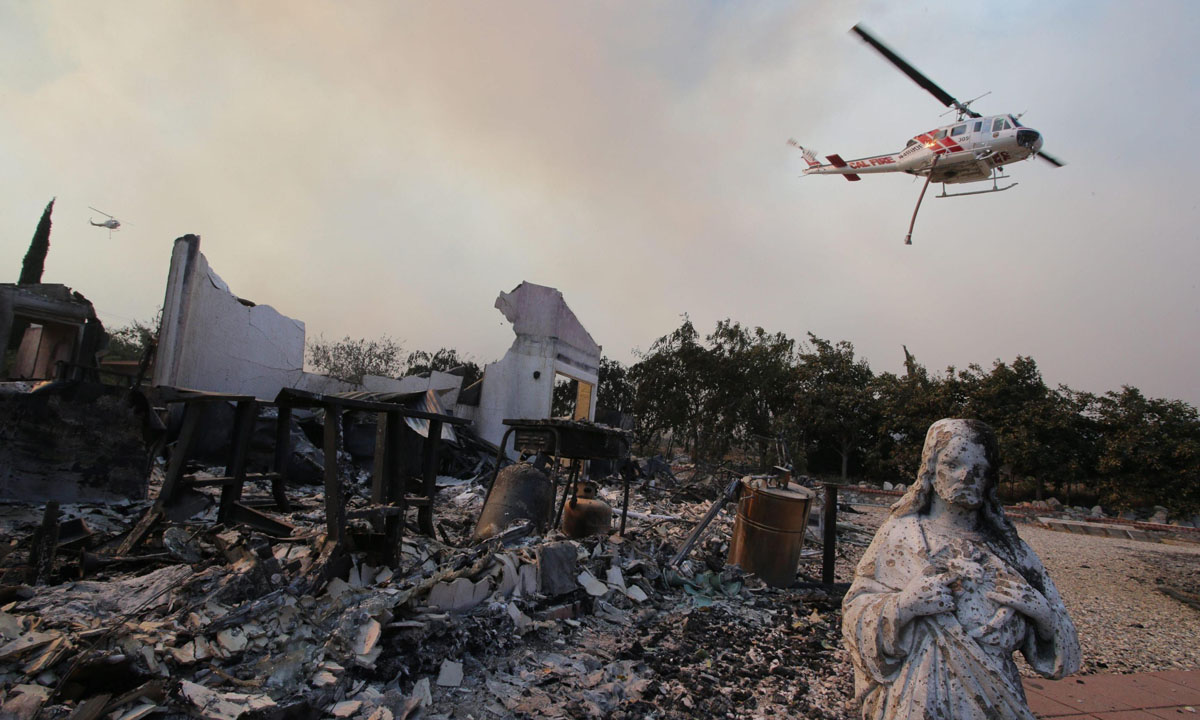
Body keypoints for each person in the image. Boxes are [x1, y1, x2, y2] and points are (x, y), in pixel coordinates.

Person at [842, 419, 1079, 720]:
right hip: (917, 696)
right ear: (930, 468)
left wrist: (1042, 614)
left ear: (989, 479)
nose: (965, 476)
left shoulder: (1011, 550)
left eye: (978, 469)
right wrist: (904, 605)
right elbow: (854, 611)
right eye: (952, 464)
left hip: (995, 699)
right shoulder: (902, 535)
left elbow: (1064, 653)